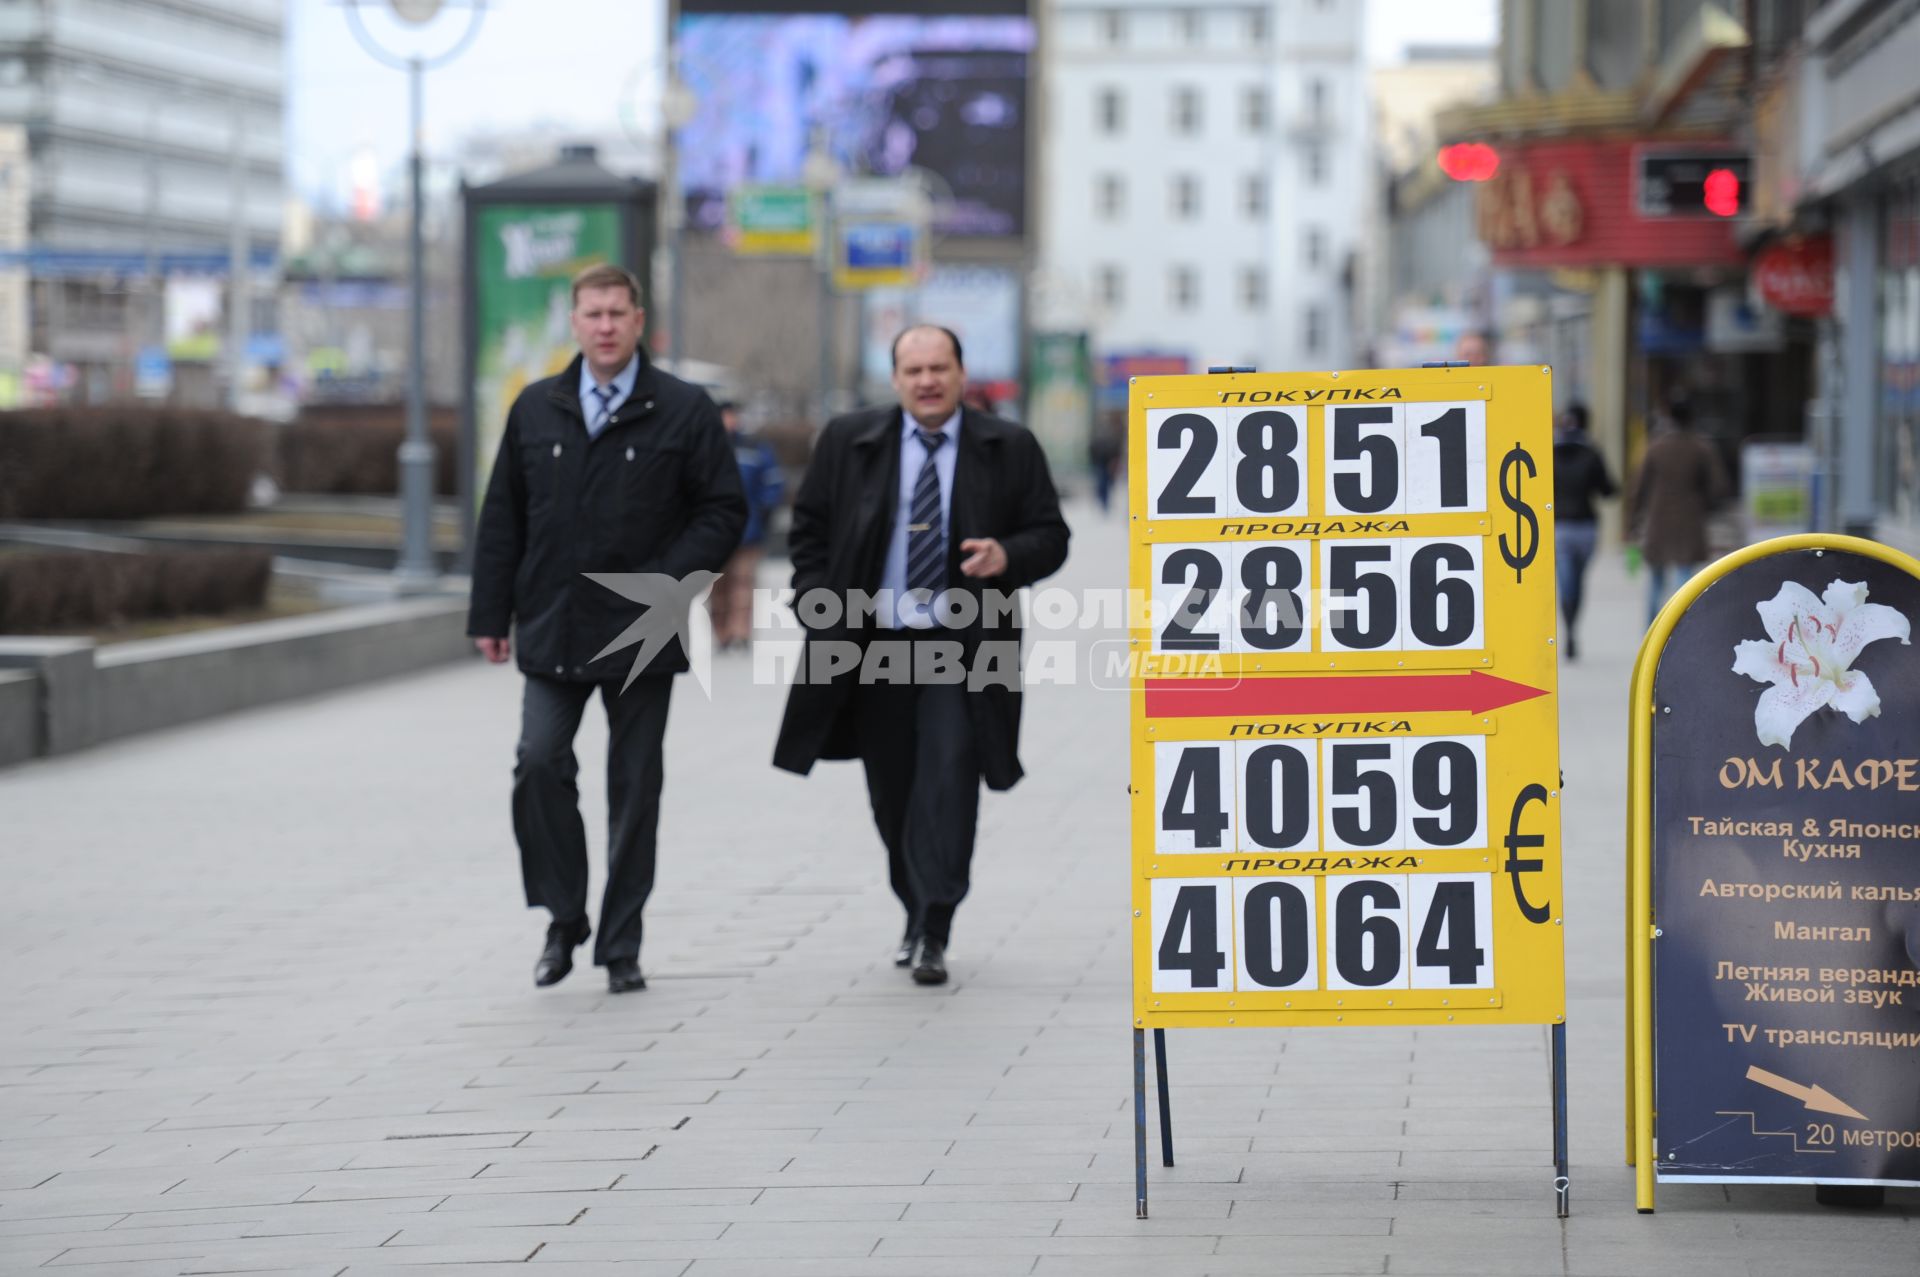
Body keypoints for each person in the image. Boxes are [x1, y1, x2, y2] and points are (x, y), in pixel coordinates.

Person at [468, 263, 746, 994]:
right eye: (592, 314)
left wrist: (666, 581)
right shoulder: (536, 407)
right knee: (539, 762)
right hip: (553, 626)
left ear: (638, 320)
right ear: (574, 322)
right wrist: (489, 614)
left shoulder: (684, 409)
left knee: (635, 787)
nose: (605, 326)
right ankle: (565, 916)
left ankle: (621, 943)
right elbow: (503, 518)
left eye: (617, 313)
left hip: (644, 630)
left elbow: (723, 510)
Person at [772, 325, 1070, 986]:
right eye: (914, 370)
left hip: (964, 646)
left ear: (963, 374)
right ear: (896, 377)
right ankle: (913, 906)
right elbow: (809, 532)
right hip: (872, 645)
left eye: (940, 368)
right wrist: (816, 601)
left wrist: (1007, 556)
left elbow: (1051, 534)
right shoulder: (851, 442)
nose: (928, 381)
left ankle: (936, 921)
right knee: (893, 793)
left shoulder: (1008, 447)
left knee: (950, 772)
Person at [1627, 394, 1729, 625]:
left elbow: (1639, 488)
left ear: (1669, 417)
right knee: (1684, 582)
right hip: (1690, 522)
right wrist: (1704, 503)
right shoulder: (1702, 448)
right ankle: (1678, 630)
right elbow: (1719, 486)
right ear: (1692, 417)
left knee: (1655, 582)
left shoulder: (1655, 448)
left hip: (1658, 521)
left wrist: (1632, 524)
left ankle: (1650, 634)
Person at [710, 401, 785, 650]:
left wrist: (763, 513)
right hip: (713, 533)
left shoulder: (755, 449)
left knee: (743, 585)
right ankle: (722, 635)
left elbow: (773, 484)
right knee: (717, 589)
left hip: (748, 532)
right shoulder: (706, 448)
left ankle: (741, 633)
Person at [1550, 401, 1616, 659]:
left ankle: (1570, 631)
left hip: (1560, 526)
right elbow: (1608, 490)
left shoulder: (1549, 452)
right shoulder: (1592, 452)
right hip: (1587, 527)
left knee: (1565, 582)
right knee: (1578, 581)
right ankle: (1573, 628)